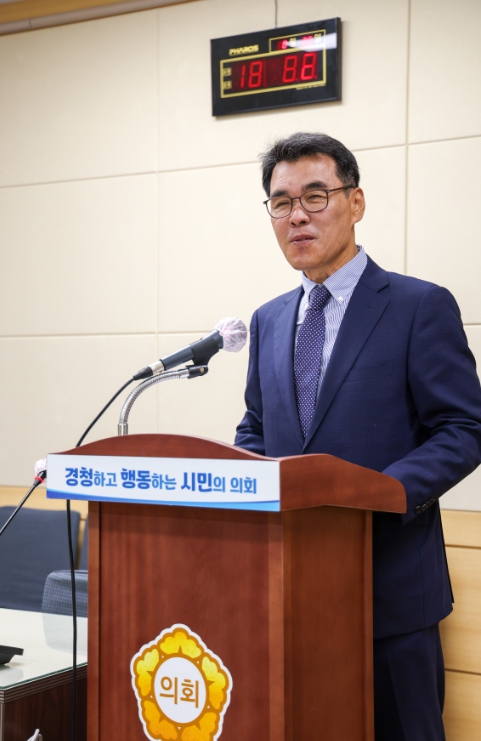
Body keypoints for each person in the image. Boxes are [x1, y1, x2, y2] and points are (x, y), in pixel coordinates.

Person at [235, 132, 481, 741]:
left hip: (390, 590)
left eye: (315, 196)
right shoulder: (268, 320)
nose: (297, 215)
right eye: (281, 202)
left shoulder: (418, 306)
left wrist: (380, 493)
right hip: (290, 589)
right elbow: (257, 430)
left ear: (356, 202)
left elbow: (463, 428)